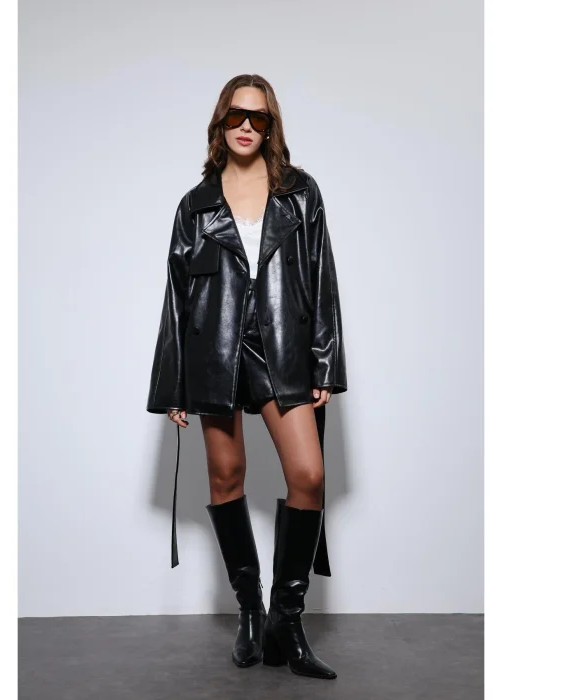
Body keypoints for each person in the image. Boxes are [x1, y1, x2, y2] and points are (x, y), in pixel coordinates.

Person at [146, 74, 348, 680]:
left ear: (270, 126)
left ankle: (288, 619)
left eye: (258, 118)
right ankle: (251, 615)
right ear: (221, 121)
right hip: (215, 350)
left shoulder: (300, 193)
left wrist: (324, 361)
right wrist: (173, 383)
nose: (245, 127)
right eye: (236, 115)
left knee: (308, 475)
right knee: (226, 475)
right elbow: (177, 298)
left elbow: (323, 277)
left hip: (283, 348)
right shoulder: (196, 205)